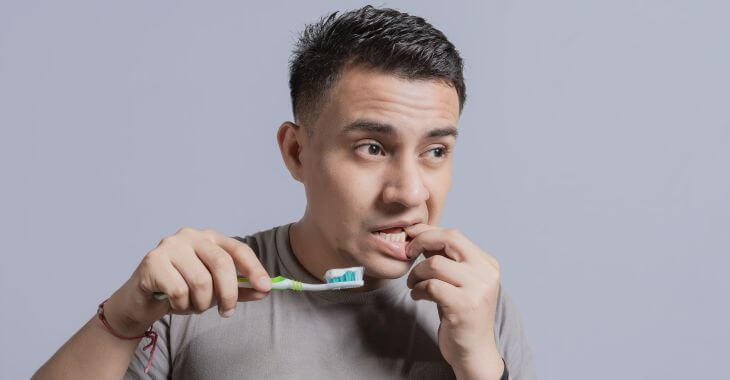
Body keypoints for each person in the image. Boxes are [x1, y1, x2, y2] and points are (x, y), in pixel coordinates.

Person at [33, 5, 535, 379]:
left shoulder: (476, 303)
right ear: (296, 152)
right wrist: (122, 318)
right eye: (372, 148)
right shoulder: (200, 294)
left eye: (436, 152)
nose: (409, 192)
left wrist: (480, 367)